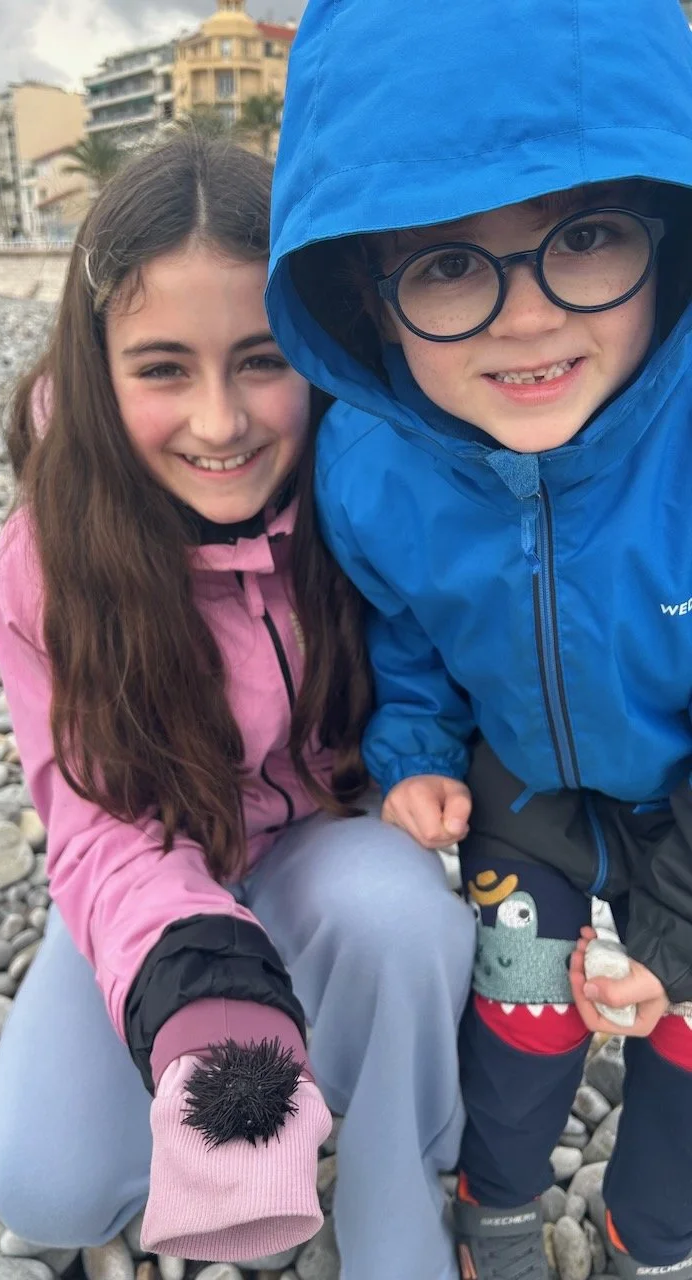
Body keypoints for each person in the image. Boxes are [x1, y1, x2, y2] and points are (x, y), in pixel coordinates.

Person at [0, 134, 475, 1279]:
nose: (218, 421)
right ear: (96, 366)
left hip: (325, 849)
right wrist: (200, 983)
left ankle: (398, 1197)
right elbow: (93, 820)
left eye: (261, 359)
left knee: (406, 919)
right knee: (50, 1189)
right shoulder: (48, 557)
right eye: (162, 368)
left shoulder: (370, 497)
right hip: (149, 860)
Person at [265, 0, 692, 1275]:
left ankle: (652, 1237)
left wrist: (671, 947)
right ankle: (495, 1213)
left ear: (668, 232)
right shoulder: (370, 465)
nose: (526, 318)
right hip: (524, 784)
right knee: (519, 1015)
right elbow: (407, 631)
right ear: (366, 297)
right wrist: (412, 753)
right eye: (450, 263)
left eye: (588, 237)